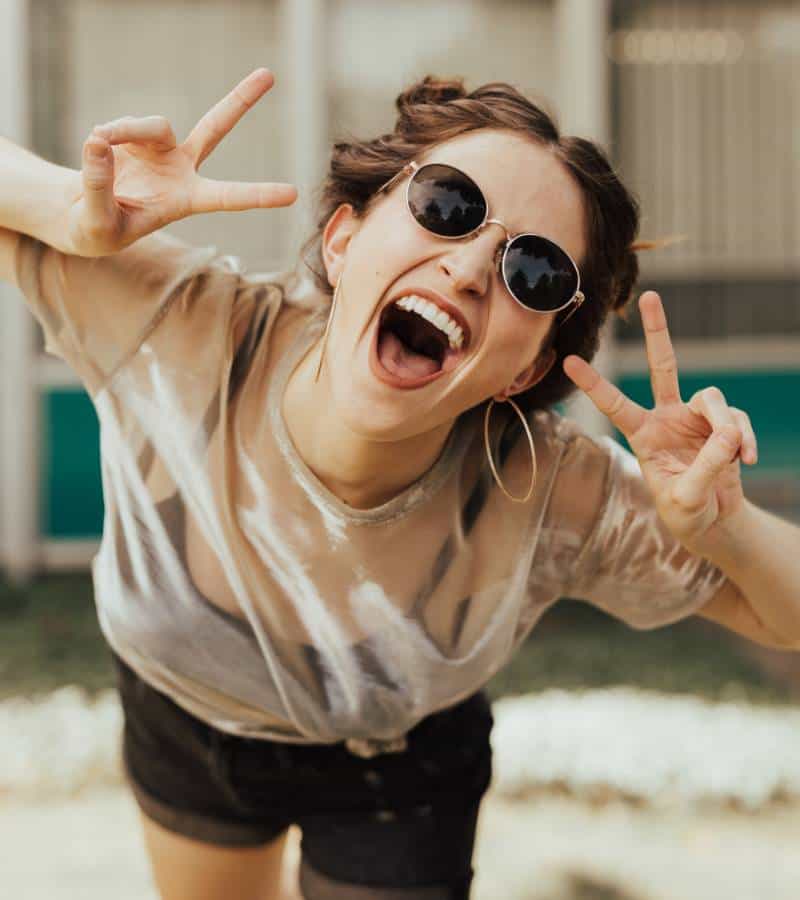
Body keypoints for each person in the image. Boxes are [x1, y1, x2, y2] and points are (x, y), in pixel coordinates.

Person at [1, 67, 798, 900]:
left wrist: (722, 528)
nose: (468, 270)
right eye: (449, 206)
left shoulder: (547, 488)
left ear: (524, 370)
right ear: (344, 241)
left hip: (403, 765)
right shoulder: (177, 323)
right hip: (184, 710)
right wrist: (64, 210)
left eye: (534, 273)